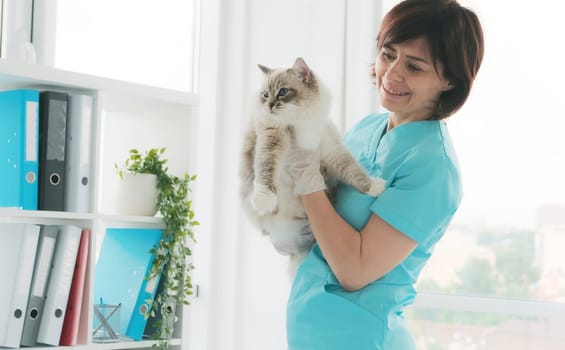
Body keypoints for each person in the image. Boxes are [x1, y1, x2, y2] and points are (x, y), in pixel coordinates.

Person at [283, 0, 484, 349]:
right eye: (388, 54)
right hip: (311, 331)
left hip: (362, 337)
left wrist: (305, 175)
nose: (391, 74)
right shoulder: (368, 128)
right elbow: (322, 215)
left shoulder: (434, 168)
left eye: (415, 66)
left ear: (450, 79)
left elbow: (354, 269)